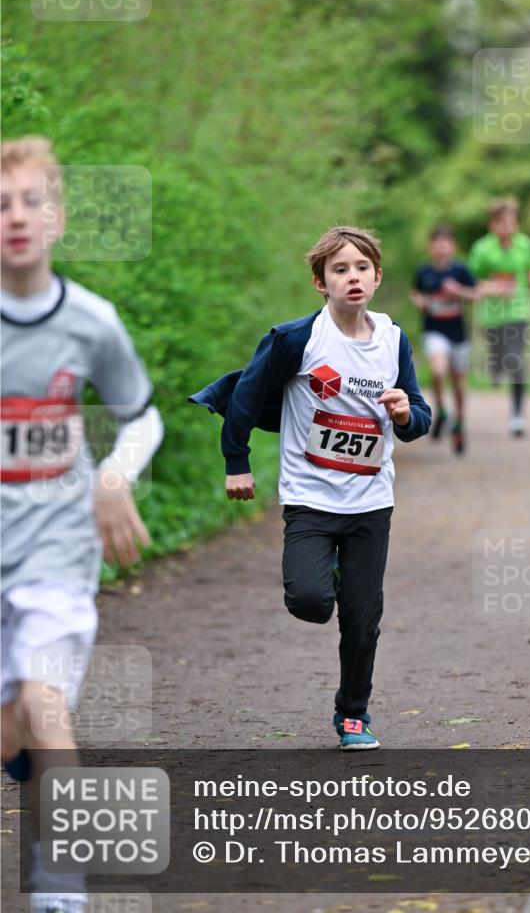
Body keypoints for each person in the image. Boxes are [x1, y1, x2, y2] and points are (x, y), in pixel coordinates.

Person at [1, 137, 163, 913]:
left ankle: (60, 887)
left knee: (46, 702)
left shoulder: (92, 322)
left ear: (56, 219)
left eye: (31, 202)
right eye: (1, 205)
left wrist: (110, 478)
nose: (15, 217)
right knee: (17, 725)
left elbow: (142, 418)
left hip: (59, 554)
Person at [189, 226, 431, 750]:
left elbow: (420, 415)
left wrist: (406, 412)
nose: (353, 278)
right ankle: (330, 571)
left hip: (372, 502)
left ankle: (353, 715)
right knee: (310, 601)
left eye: (361, 268)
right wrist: (237, 463)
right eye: (340, 270)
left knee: (363, 618)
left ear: (377, 276)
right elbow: (247, 396)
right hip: (310, 498)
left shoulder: (393, 339)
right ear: (320, 282)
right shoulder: (297, 339)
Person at [467, 198, 530, 436]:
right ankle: (496, 366)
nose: (507, 228)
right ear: (492, 225)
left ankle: (517, 415)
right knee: (500, 357)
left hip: (518, 311)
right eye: (501, 223)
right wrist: (493, 288)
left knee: (516, 360)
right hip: (491, 316)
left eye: (511, 223)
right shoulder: (482, 249)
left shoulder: (525, 245)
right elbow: (471, 282)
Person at [410, 224, 477, 454]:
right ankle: (441, 410)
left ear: (453, 246)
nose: (442, 246)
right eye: (437, 242)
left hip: (457, 333)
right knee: (438, 371)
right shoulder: (424, 272)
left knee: (458, 381)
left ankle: (459, 423)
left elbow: (475, 294)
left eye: (446, 242)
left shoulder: (461, 271)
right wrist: (419, 301)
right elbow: (415, 292)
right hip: (434, 331)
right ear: (431, 247)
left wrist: (458, 291)